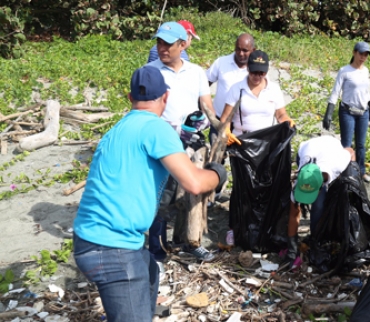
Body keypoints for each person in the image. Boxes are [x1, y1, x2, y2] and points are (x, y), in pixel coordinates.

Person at [73, 66, 227, 322]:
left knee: (149, 270)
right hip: (111, 248)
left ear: (130, 98)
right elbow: (194, 184)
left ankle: (139, 307)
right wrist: (218, 174)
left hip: (88, 239)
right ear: (165, 97)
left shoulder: (116, 130)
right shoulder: (156, 128)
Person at [145, 21, 216, 263]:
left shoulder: (196, 72)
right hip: (163, 142)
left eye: (168, 43)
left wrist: (205, 123)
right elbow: (146, 111)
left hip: (191, 140)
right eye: (159, 42)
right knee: (161, 195)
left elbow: (206, 105)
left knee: (191, 192)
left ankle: (190, 242)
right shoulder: (151, 72)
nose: (162, 48)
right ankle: (157, 247)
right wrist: (173, 132)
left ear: (183, 44)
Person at [221, 49, 295, 246]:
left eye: (261, 73)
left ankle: (259, 226)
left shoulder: (274, 89)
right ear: (248, 69)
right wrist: (226, 132)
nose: (257, 77)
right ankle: (234, 228)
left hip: (265, 145)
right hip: (241, 144)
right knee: (240, 187)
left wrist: (288, 122)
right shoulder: (237, 88)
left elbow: (281, 115)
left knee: (263, 186)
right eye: (254, 72)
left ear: (266, 71)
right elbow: (225, 118)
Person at [284, 136, 355, 264]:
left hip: (331, 147)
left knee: (319, 205)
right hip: (307, 149)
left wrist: (352, 175)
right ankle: (313, 239)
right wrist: (292, 248)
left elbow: (350, 151)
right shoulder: (301, 178)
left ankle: (315, 238)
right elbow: (293, 213)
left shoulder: (338, 163)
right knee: (303, 204)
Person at [323, 41, 370, 182]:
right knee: (346, 144)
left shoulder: (366, 71)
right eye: (360, 54)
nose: (363, 57)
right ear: (354, 53)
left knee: (361, 144)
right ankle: (345, 172)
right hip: (348, 111)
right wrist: (328, 112)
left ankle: (361, 171)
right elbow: (335, 92)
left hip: (363, 112)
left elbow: (366, 93)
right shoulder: (345, 71)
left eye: (366, 55)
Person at [206, 33, 256, 143]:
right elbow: (204, 84)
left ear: (253, 50)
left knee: (240, 158)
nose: (240, 53)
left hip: (243, 124)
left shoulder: (256, 70)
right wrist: (207, 107)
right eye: (238, 49)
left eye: (245, 50)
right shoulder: (221, 62)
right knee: (216, 158)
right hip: (219, 120)